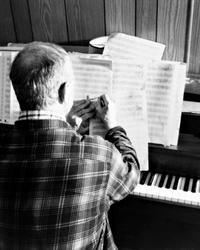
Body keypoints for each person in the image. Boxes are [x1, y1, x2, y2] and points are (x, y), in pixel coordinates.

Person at [0, 42, 140, 249]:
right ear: (64, 91)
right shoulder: (100, 155)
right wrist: (114, 127)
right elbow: (131, 175)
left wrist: (68, 128)